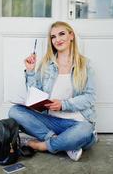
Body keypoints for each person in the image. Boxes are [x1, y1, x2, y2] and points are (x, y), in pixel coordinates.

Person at [8, 21, 97, 161]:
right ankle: (63, 143)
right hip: (51, 121)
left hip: (76, 123)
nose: (57, 39)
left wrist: (63, 104)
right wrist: (30, 71)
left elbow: (90, 97)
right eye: (53, 37)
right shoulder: (46, 65)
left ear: (71, 35)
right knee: (14, 111)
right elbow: (36, 94)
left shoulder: (85, 65)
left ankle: (42, 146)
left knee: (86, 131)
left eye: (61, 34)